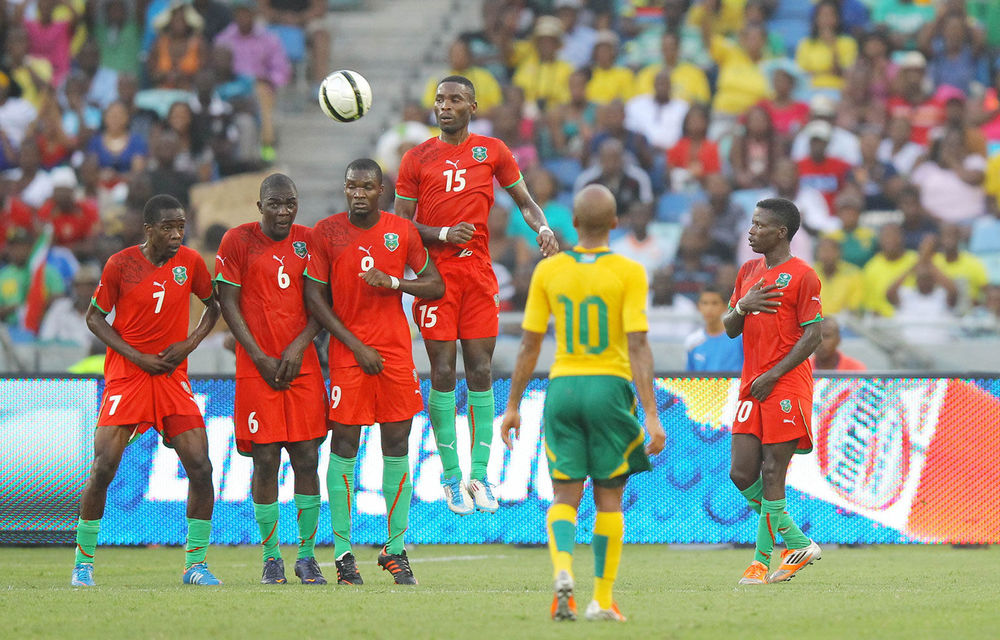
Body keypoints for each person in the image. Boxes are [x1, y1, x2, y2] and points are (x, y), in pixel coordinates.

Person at [499, 184, 665, 621]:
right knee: (609, 499)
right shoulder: (629, 271)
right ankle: (602, 601)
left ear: (572, 223)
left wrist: (514, 404)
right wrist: (650, 414)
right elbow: (639, 346)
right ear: (615, 223)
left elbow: (529, 347)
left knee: (564, 495)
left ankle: (562, 575)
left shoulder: (548, 272)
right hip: (609, 388)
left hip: (564, 387)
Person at [394, 75, 558, 515]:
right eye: (439, 99)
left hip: (479, 275)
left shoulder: (492, 151)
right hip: (435, 276)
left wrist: (541, 226)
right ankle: (450, 477)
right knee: (444, 373)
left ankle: (480, 476)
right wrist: (443, 232)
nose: (445, 106)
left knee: (481, 370)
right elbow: (400, 224)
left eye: (455, 100)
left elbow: (524, 200)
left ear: (472, 106)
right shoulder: (417, 157)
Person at [70, 194, 221, 587]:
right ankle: (83, 564)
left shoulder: (189, 262)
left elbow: (214, 305)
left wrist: (188, 344)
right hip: (128, 376)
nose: (177, 234)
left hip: (171, 376)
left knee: (201, 468)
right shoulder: (121, 264)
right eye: (168, 227)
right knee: (104, 467)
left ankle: (195, 565)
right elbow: (94, 318)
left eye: (181, 226)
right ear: (149, 229)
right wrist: (136, 356)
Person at [305, 159, 443, 585]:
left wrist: (395, 283)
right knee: (345, 443)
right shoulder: (325, 233)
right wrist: (354, 346)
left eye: (367, 186)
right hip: (350, 355)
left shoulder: (401, 231)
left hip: (396, 355)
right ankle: (344, 553)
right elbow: (315, 298)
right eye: (351, 186)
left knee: (397, 443)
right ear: (344, 189)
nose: (358, 193)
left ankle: (395, 549)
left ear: (381, 190)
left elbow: (435, 285)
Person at [215, 174, 329, 585]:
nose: (283, 211)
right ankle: (270, 557)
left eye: (290, 203)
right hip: (256, 368)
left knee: (307, 458)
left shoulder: (310, 240)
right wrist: (258, 355)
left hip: (302, 367)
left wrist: (299, 347)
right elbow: (227, 303)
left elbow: (322, 303)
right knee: (264, 460)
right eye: (275, 204)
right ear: (259, 205)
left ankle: (307, 556)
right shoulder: (236, 241)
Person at [723, 197, 824, 586]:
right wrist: (744, 306)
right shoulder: (748, 271)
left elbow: (813, 334)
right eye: (751, 224)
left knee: (771, 472)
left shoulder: (803, 276)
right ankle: (798, 542)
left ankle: (759, 563)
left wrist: (774, 373)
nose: (751, 231)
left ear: (780, 232)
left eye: (759, 225)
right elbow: (731, 327)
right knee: (740, 470)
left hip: (786, 384)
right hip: (752, 383)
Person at [686, 284, 743, 372]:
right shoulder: (692, 341)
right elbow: (690, 377)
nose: (709, 308)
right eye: (705, 303)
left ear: (725, 307)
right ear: (698, 307)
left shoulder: (739, 338)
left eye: (714, 303)